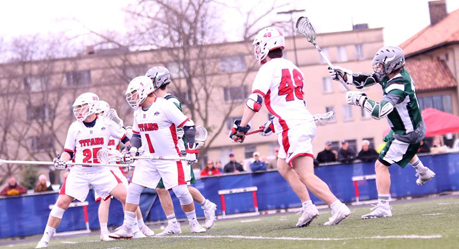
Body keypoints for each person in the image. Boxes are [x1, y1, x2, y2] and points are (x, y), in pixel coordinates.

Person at [229, 27, 351, 227]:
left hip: (293, 127)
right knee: (283, 166)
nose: (257, 50)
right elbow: (291, 104)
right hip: (298, 122)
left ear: (265, 47)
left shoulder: (267, 69)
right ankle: (308, 207)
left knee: (305, 174)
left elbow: (255, 100)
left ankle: (337, 206)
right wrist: (272, 123)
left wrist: (242, 127)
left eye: (259, 46)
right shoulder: (293, 67)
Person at [329, 45, 435, 219]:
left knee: (380, 165)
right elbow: (365, 80)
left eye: (381, 65)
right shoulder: (390, 74)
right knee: (397, 148)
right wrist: (344, 74)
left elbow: (379, 112)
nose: (378, 68)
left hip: (407, 132)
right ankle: (423, 172)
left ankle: (384, 206)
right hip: (407, 126)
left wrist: (360, 100)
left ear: (392, 65)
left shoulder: (399, 83)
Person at [109, 76, 206, 239]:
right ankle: (127, 227)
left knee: (181, 191)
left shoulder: (164, 106)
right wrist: (133, 149)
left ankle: (193, 222)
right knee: (133, 189)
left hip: (169, 157)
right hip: (148, 158)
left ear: (144, 91)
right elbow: (136, 135)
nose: (132, 98)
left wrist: (190, 151)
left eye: (134, 93)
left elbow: (189, 126)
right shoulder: (138, 112)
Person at [36, 92, 135, 248]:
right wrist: (63, 162)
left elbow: (126, 139)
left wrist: (129, 151)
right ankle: (45, 239)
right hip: (80, 171)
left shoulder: (106, 123)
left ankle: (130, 229)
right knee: (62, 202)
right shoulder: (75, 127)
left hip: (101, 170)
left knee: (127, 196)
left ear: (92, 107)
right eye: (78, 107)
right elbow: (68, 151)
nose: (79, 110)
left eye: (82, 106)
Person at [144, 67, 217, 235]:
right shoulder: (153, 104)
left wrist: (189, 148)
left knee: (181, 187)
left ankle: (207, 205)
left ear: (158, 82)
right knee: (161, 188)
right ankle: (173, 224)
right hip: (162, 152)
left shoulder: (170, 102)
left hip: (177, 150)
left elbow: (182, 126)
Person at [92, 99, 154, 240]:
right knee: (105, 198)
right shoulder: (92, 130)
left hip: (115, 167)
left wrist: (126, 152)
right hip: (102, 168)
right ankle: (104, 232)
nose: (102, 116)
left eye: (104, 113)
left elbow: (127, 144)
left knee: (128, 196)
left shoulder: (111, 127)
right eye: (100, 113)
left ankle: (139, 226)